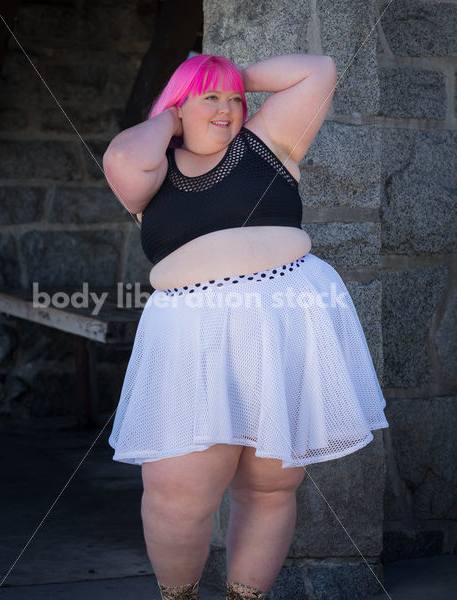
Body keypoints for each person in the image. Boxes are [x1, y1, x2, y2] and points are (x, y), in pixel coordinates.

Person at [103, 53, 389, 600]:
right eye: (210, 98)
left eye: (235, 99)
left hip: (286, 324)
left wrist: (228, 76)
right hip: (194, 335)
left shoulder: (267, 143)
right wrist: (173, 107)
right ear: (178, 106)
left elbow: (320, 71)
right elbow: (122, 155)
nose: (228, 109)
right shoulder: (152, 173)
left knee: (270, 483)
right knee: (175, 489)